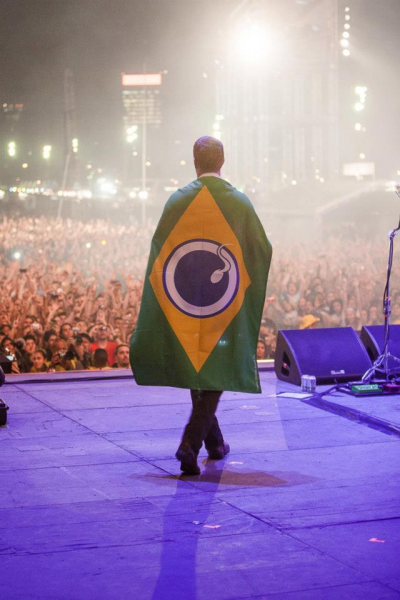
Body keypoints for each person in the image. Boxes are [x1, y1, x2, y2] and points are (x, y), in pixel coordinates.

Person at [130, 136, 272, 475]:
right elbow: (260, 249)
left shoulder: (177, 201)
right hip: (224, 303)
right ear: (223, 161)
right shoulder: (239, 203)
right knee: (214, 371)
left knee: (200, 370)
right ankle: (189, 444)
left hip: (185, 304)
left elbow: (162, 254)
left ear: (194, 162)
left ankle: (215, 444)